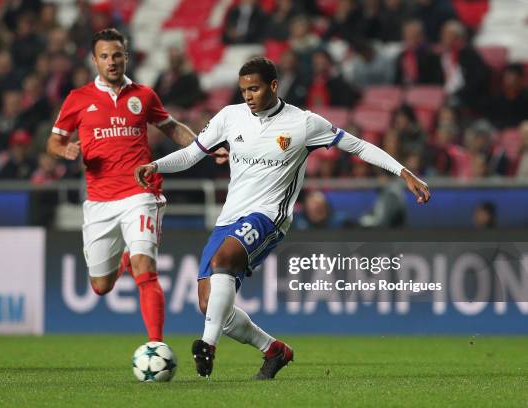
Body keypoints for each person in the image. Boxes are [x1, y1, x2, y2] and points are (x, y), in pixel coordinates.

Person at [135, 57, 430, 379]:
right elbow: (192, 154)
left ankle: (207, 345)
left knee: (223, 261)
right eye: (243, 89)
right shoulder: (230, 117)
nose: (248, 96)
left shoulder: (303, 123)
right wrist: (156, 165)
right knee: (210, 306)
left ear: (274, 86)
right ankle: (274, 350)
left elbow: (358, 147)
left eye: (255, 89)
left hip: (269, 216)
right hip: (229, 217)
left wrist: (403, 172)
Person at [46, 28, 225, 342]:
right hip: (99, 200)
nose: (112, 61)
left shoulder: (143, 95)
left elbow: (171, 127)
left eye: (117, 55)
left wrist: (205, 148)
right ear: (95, 60)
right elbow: (53, 141)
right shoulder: (78, 99)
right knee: (100, 286)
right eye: (105, 56)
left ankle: (156, 347)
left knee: (145, 268)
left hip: (140, 193)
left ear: (126, 57)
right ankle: (123, 260)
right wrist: (65, 150)